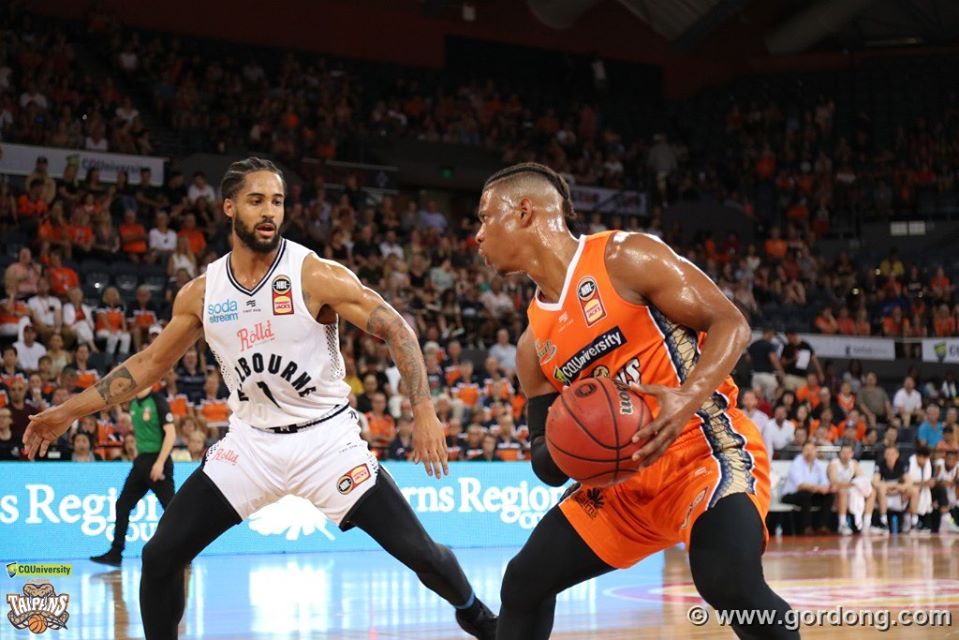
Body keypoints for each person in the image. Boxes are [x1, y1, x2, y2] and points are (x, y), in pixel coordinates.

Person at [23, 157, 496, 640]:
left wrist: (423, 411)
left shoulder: (314, 274)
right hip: (251, 445)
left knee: (420, 554)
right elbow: (148, 364)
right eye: (256, 201)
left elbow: (397, 328)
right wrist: (67, 412)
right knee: (160, 554)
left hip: (327, 442)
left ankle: (477, 614)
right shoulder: (202, 293)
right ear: (229, 207)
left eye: (277, 201)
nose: (269, 211)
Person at [474, 163, 792, 639]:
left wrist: (685, 398)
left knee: (727, 581)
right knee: (523, 584)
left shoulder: (624, 257)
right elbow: (546, 463)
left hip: (699, 450)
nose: (478, 235)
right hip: (621, 483)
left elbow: (732, 323)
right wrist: (573, 440)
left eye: (484, 218)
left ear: (524, 212)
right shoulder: (531, 347)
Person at [90, 386, 177, 567]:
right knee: (122, 504)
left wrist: (160, 462)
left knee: (172, 509)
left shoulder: (158, 401)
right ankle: (116, 553)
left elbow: (171, 434)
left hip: (158, 460)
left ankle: (184, 553)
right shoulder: (134, 403)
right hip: (141, 461)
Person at [781, 441, 834, 534]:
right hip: (791, 494)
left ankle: (822, 526)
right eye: (807, 449)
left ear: (816, 451)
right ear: (802, 451)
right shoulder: (796, 463)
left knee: (829, 495)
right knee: (805, 495)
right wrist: (818, 488)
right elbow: (801, 485)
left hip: (811, 494)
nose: (809, 452)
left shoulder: (818, 464)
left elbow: (825, 482)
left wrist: (825, 488)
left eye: (812, 449)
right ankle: (806, 527)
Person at [827, 443, 875, 535]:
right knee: (842, 491)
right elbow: (834, 482)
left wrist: (854, 484)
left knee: (872, 492)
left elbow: (862, 479)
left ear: (852, 454)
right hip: (835, 492)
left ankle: (866, 523)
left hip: (850, 490)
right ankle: (842, 524)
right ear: (839, 454)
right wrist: (852, 484)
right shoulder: (834, 464)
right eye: (843, 452)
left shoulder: (854, 463)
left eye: (848, 452)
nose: (846, 455)